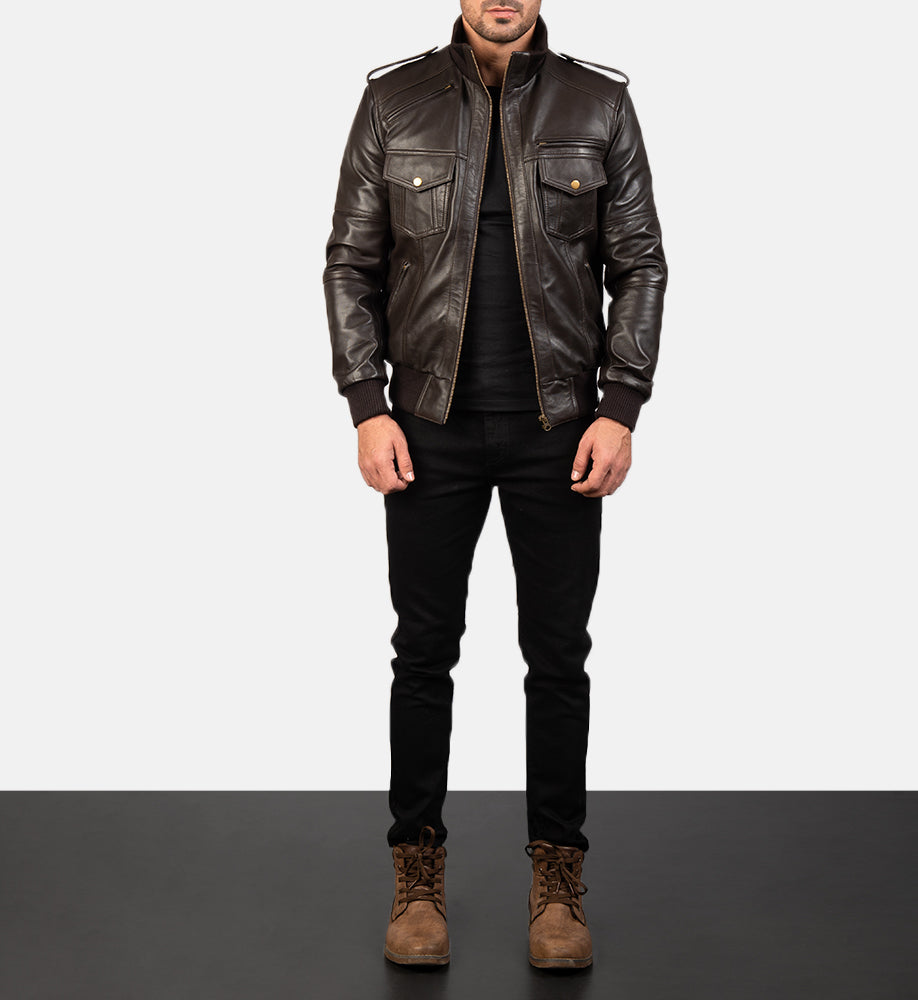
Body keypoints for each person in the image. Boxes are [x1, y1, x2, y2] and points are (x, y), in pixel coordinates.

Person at [322, 0, 666, 970]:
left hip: (559, 430)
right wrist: (367, 404)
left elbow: (640, 263)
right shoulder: (393, 103)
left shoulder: (598, 105)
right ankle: (415, 877)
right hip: (426, 429)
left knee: (558, 659)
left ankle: (557, 885)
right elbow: (350, 263)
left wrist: (620, 405)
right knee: (422, 654)